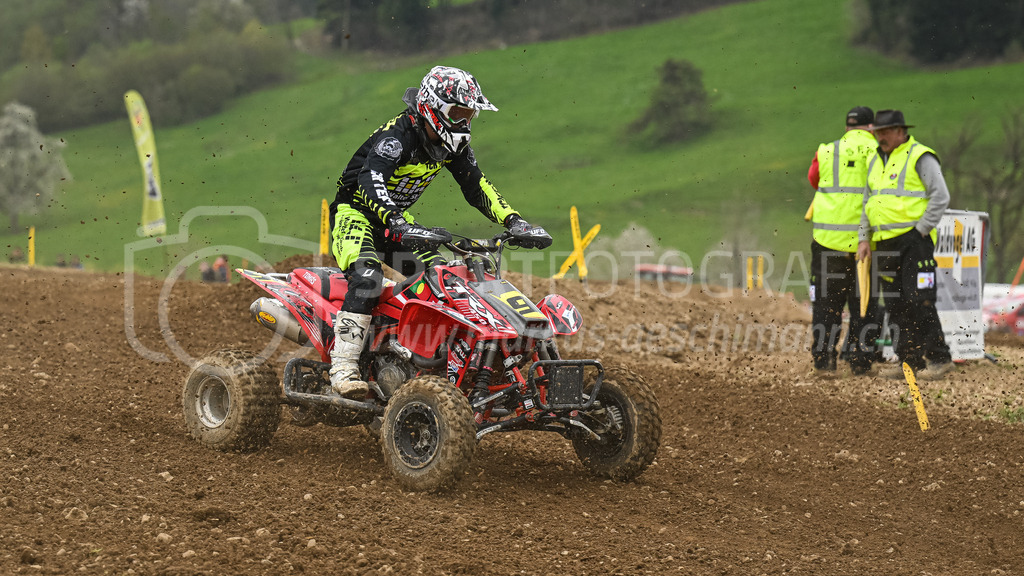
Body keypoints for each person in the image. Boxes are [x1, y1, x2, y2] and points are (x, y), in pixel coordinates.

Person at [327, 65, 552, 398]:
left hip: (397, 221)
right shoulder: (398, 137)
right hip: (356, 214)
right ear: (434, 108)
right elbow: (369, 180)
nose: (465, 123)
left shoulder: (451, 146)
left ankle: (420, 363)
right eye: (459, 114)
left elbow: (476, 185)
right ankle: (344, 367)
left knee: (442, 280)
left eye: (469, 115)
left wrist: (513, 220)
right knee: (368, 279)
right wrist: (395, 220)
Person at [857, 109, 954, 380]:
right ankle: (909, 362)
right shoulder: (875, 160)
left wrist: (921, 230)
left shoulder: (920, 156)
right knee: (895, 304)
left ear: (901, 132)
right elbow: (868, 202)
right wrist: (864, 237)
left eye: (886, 132)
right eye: (878, 132)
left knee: (920, 300)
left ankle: (940, 358)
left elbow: (941, 196)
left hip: (914, 241)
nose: (881, 137)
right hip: (884, 243)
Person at [806, 106, 879, 377]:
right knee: (864, 305)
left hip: (828, 241)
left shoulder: (826, 151)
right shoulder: (880, 153)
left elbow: (814, 180)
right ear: (871, 127)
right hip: (866, 245)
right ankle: (861, 363)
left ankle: (824, 362)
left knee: (826, 305)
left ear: (847, 127)